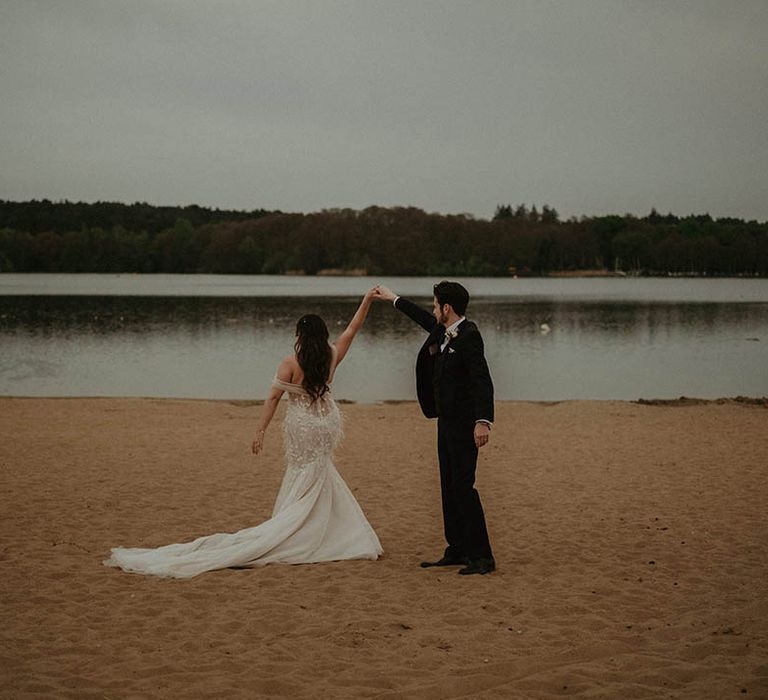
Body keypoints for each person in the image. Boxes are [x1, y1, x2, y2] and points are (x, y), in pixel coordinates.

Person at [104, 289, 382, 578]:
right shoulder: (332, 355)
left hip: (302, 425)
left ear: (299, 335)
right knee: (319, 469)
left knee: (302, 470)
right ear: (323, 335)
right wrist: (367, 301)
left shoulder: (290, 363)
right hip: (325, 422)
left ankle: (297, 523)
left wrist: (260, 430)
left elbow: (273, 398)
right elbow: (353, 328)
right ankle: (323, 526)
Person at [373, 281, 495, 575]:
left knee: (464, 488)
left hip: (466, 425)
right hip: (445, 422)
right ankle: (457, 549)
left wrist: (482, 421)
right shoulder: (442, 331)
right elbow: (422, 318)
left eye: (436, 304)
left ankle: (482, 557)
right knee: (448, 486)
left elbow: (481, 380)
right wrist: (393, 299)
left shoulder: (469, 336)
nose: (433, 309)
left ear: (447, 308)